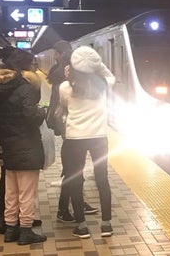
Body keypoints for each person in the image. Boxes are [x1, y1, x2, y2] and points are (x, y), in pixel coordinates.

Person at [0, 49, 47, 245]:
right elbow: (31, 116)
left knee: (11, 191)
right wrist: (42, 113)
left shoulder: (0, 86)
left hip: (7, 142)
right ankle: (26, 230)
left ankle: (11, 228)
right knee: (27, 192)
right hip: (26, 144)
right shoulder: (25, 88)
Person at [60, 46, 115, 238]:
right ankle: (106, 225)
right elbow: (107, 72)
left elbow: (64, 109)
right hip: (99, 137)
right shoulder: (104, 84)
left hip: (75, 139)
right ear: (94, 66)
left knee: (76, 180)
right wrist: (94, 63)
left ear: (72, 68)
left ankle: (81, 226)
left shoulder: (65, 87)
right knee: (102, 180)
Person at [45, 41, 98, 223]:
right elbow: (67, 104)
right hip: (70, 125)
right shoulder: (67, 80)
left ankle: (77, 202)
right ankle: (64, 209)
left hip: (66, 124)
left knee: (74, 168)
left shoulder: (57, 72)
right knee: (73, 169)